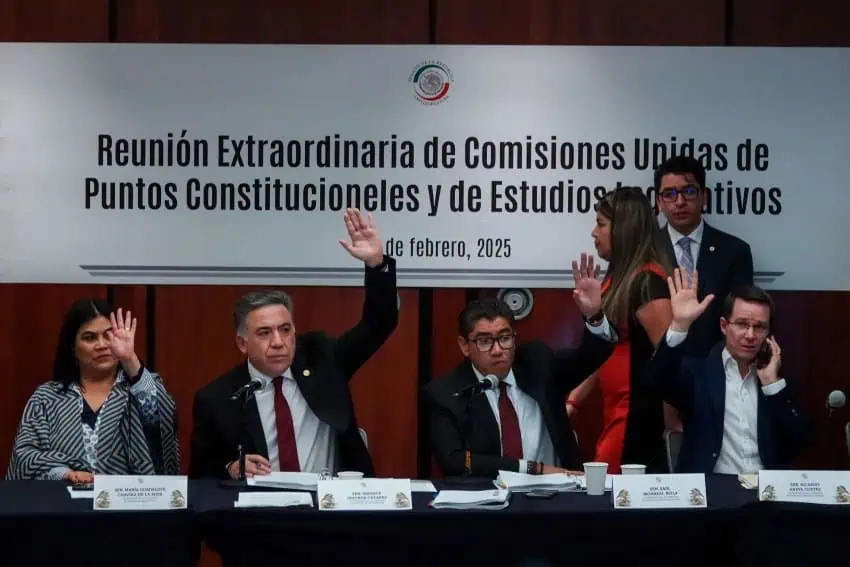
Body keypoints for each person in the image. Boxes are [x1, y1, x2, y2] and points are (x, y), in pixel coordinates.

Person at [188, 209, 398, 479]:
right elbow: (200, 475)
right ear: (242, 343)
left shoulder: (323, 359)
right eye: (264, 333)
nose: (278, 342)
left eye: (285, 330)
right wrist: (231, 468)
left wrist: (376, 265)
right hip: (261, 514)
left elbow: (379, 324)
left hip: (330, 509)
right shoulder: (218, 399)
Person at [425, 255, 616, 478]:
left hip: (558, 496)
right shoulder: (446, 393)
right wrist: (533, 469)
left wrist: (593, 315)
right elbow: (454, 461)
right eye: (485, 341)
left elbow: (590, 357)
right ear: (465, 346)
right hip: (489, 503)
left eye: (504, 338)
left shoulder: (537, 363)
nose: (497, 350)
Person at [649, 270, 809, 474]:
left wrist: (772, 386)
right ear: (724, 326)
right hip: (713, 493)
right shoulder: (699, 375)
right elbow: (659, 378)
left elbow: (799, 441)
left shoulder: (778, 381)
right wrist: (680, 324)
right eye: (742, 324)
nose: (750, 335)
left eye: (759, 327)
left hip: (767, 494)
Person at [565, 187, 677, 473]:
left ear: (624, 229)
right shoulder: (616, 278)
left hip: (637, 419)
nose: (593, 232)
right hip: (613, 410)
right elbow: (605, 349)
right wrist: (575, 399)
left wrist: (673, 432)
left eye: (601, 224)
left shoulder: (647, 283)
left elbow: (670, 364)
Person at [6, 301, 179, 481]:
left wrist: (130, 360)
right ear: (73, 347)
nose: (102, 345)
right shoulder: (47, 397)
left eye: (109, 336)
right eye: (90, 338)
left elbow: (164, 424)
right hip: (62, 504)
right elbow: (24, 457)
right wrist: (64, 473)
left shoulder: (141, 388)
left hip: (128, 504)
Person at [655, 155, 754, 358]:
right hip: (660, 374)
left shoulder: (734, 252)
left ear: (705, 197)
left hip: (717, 371)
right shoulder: (646, 251)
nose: (680, 202)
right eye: (669, 194)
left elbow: (742, 319)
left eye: (689, 192)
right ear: (659, 202)